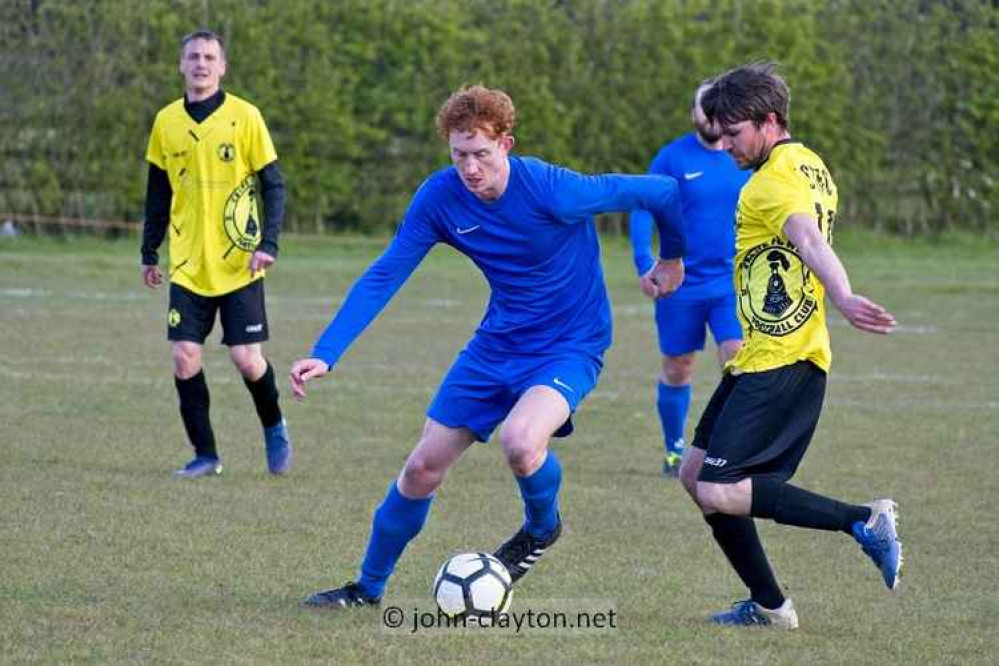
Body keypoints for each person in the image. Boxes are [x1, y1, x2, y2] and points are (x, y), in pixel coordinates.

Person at [291, 85, 685, 609]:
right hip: (497, 344)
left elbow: (660, 191)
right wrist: (328, 350)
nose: (470, 168)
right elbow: (387, 272)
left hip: (570, 343)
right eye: (459, 155)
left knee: (521, 443)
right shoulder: (439, 198)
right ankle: (367, 587)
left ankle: (541, 528)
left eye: (481, 153)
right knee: (421, 468)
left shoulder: (553, 189)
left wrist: (673, 257)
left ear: (506, 144)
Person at [678, 62, 902, 629]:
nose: (724, 145)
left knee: (720, 490)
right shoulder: (810, 163)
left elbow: (804, 236)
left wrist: (843, 295)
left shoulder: (772, 180)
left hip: (784, 360)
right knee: (696, 475)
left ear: (768, 121)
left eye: (733, 134)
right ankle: (771, 608)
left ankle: (863, 520)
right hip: (760, 355)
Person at [141, 29, 291, 478]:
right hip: (188, 264)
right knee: (185, 355)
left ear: (222, 66)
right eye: (193, 57)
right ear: (181, 65)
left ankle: (274, 425)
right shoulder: (166, 122)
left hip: (240, 263)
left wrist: (268, 244)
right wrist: (149, 251)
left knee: (247, 360)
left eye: (209, 57)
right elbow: (156, 193)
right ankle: (205, 455)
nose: (201, 64)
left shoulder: (245, 117)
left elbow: (274, 184)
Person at [630, 80, 749, 477]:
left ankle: (726, 451)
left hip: (730, 283)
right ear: (694, 114)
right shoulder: (672, 158)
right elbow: (643, 209)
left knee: (737, 360)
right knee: (678, 368)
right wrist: (645, 261)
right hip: (680, 283)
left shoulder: (744, 157)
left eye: (719, 109)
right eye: (705, 108)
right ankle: (674, 449)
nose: (712, 116)